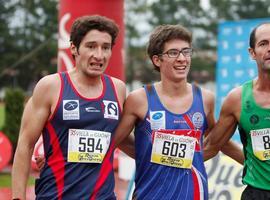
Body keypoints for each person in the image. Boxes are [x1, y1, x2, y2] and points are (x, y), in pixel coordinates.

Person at [114, 24, 243, 199]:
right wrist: (149, 156)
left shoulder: (206, 99)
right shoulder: (139, 99)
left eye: (186, 51)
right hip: (150, 195)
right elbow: (116, 140)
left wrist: (256, 165)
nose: (182, 58)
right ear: (157, 60)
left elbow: (218, 142)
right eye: (173, 53)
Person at [12, 15, 126, 200]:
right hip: (56, 195)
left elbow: (123, 138)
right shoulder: (51, 86)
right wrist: (18, 197)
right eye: (91, 46)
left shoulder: (118, 89)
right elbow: (25, 145)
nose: (99, 55)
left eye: (105, 47)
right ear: (74, 47)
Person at [204, 23, 270, 200]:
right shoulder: (237, 99)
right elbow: (214, 145)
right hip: (257, 193)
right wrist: (164, 163)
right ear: (252, 53)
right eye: (264, 43)